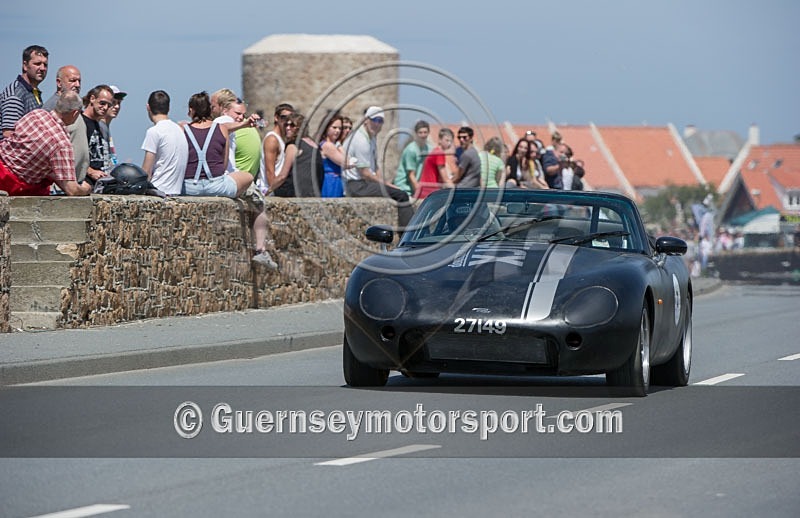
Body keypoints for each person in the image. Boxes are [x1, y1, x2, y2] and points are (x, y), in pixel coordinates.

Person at [0, 91, 91, 196]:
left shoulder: (36, 114)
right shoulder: (61, 144)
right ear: (75, 113)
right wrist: (86, 189)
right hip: (12, 185)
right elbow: (72, 190)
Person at [342, 106, 413, 229]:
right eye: (374, 120)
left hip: (363, 183)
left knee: (398, 192)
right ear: (366, 120)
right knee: (401, 195)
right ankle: (407, 232)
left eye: (380, 121)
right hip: (355, 185)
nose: (377, 124)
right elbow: (365, 173)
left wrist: (384, 184)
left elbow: (375, 167)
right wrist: (387, 185)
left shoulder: (372, 137)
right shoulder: (360, 140)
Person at [181, 91, 253, 197]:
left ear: (191, 110)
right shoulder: (222, 129)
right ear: (210, 110)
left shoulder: (183, 130)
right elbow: (224, 164)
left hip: (189, 187)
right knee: (248, 177)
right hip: (217, 186)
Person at [140, 90, 189, 196]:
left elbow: (146, 171)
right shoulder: (179, 130)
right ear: (168, 108)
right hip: (176, 192)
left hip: (158, 190)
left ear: (148, 107)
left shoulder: (154, 131)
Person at [1, 45, 49, 139]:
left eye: (45, 65)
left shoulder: (33, 92)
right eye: (37, 64)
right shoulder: (16, 94)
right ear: (25, 66)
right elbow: (9, 134)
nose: (42, 68)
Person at [273, 113, 323, 197]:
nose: (288, 128)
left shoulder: (293, 146)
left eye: (292, 125)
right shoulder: (314, 145)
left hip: (294, 193)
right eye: (286, 125)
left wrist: (268, 190)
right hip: (313, 193)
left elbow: (282, 176)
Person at [81, 84, 115, 183]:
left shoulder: (101, 126)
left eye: (109, 105)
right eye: (102, 103)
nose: (105, 108)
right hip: (84, 181)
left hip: (100, 182)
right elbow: (73, 155)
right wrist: (90, 171)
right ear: (92, 99)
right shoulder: (80, 122)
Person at [259, 103, 295, 195]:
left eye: (290, 117)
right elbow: (270, 172)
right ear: (276, 118)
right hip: (270, 191)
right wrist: (275, 193)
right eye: (284, 117)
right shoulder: (272, 139)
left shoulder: (282, 139)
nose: (287, 121)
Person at [394, 119, 431, 197]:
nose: (423, 135)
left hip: (416, 186)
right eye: (420, 133)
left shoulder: (428, 148)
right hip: (404, 187)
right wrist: (419, 193)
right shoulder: (411, 150)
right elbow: (411, 175)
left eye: (425, 132)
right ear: (416, 134)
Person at [416, 127, 455, 199]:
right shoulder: (439, 153)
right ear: (440, 140)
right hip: (429, 192)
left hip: (424, 191)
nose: (449, 143)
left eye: (451, 141)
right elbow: (445, 179)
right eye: (447, 140)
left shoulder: (435, 151)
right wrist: (456, 193)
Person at [318, 111, 346, 198]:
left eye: (340, 128)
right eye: (334, 127)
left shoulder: (333, 145)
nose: (337, 131)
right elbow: (346, 162)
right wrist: (339, 145)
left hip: (336, 180)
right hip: (331, 181)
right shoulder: (327, 145)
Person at [100, 85, 126, 169]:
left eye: (119, 103)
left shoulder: (105, 127)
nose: (117, 106)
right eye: (113, 103)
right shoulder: (99, 127)